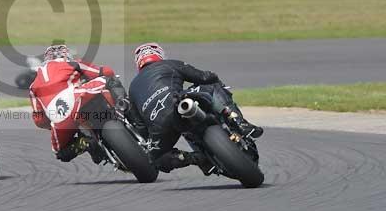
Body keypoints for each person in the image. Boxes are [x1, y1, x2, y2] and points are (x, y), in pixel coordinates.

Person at [127, 42, 263, 174]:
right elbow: (203, 77)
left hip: (159, 126)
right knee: (212, 86)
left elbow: (140, 126)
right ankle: (239, 122)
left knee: (155, 158)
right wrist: (214, 77)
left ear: (139, 63)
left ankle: (195, 159)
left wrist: (153, 139)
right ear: (160, 55)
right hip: (178, 103)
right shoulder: (170, 64)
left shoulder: (132, 87)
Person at [28, 44, 129, 162]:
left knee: (61, 153)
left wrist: (53, 123)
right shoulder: (72, 63)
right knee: (110, 80)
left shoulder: (33, 86)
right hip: (76, 96)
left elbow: (39, 120)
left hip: (59, 117)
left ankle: (84, 143)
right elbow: (106, 71)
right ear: (67, 55)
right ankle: (124, 105)